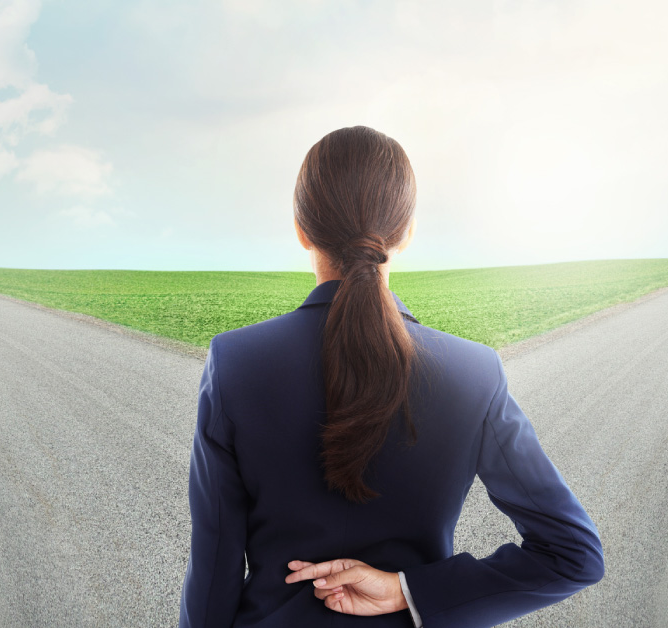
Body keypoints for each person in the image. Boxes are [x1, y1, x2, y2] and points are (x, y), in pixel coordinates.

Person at [178, 125, 603, 628]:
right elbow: (572, 555)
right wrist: (409, 591)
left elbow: (213, 570)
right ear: (407, 233)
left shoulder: (236, 361)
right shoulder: (474, 373)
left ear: (301, 229)